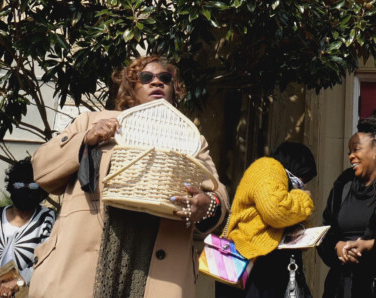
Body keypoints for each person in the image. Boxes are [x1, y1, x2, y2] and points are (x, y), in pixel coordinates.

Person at [29, 55, 228, 298]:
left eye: (165, 78)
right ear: (131, 88)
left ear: (174, 90)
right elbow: (41, 169)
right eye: (146, 78)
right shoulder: (92, 121)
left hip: (157, 271)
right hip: (84, 267)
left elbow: (218, 197)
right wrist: (85, 139)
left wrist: (207, 206)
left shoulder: (192, 140)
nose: (157, 83)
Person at [216, 141, 317, 298]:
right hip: (249, 264)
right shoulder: (269, 168)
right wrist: (303, 198)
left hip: (266, 266)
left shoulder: (283, 182)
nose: (303, 185)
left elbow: (292, 219)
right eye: (303, 179)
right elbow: (275, 211)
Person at [319, 117, 376, 298]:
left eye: (356, 149)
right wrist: (337, 246)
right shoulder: (344, 183)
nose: (350, 156)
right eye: (349, 151)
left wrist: (369, 246)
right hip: (340, 285)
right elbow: (324, 231)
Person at [0, 157, 56, 298]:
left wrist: (20, 280)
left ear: (41, 191)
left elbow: (48, 257)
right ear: (11, 187)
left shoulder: (46, 217)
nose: (25, 189)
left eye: (33, 186)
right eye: (19, 185)